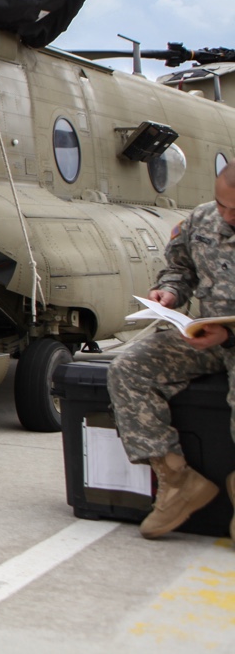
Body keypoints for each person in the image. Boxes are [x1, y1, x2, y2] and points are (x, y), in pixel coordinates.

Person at [107, 164, 235, 539]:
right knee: (129, 367)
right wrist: (170, 293)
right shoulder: (202, 219)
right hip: (207, 335)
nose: (226, 217)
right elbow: (180, 269)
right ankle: (177, 480)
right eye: (221, 205)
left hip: (224, 338)